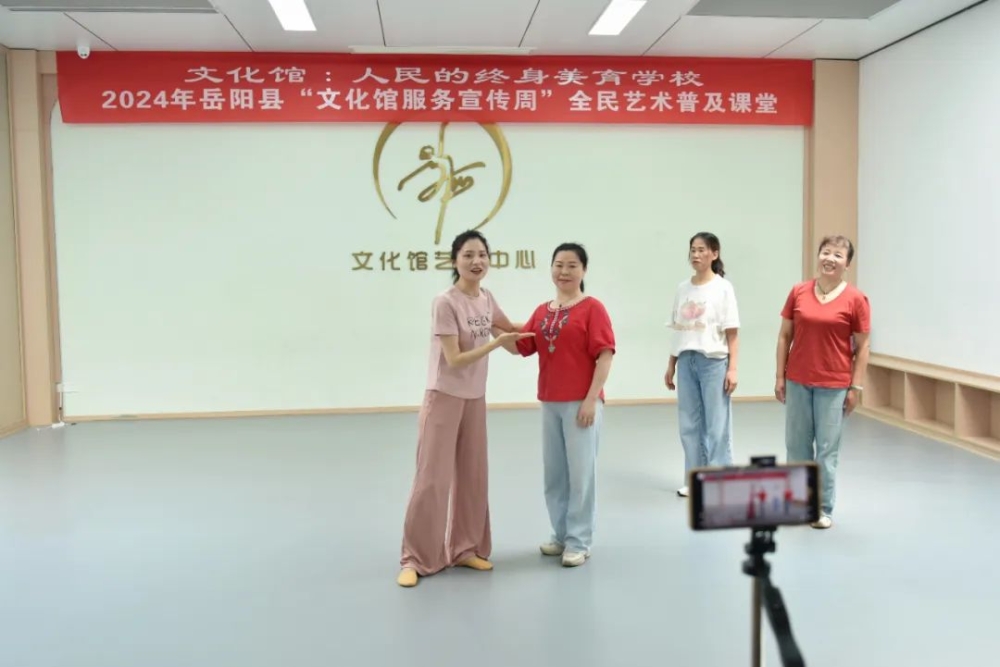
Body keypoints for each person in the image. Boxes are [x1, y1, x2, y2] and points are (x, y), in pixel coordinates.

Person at [397, 230, 533, 587]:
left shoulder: (486, 298)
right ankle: (416, 558)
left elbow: (510, 334)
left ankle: (465, 548)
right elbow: (455, 358)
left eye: (482, 255)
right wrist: (497, 343)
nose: (477, 261)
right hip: (443, 396)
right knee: (432, 479)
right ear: (455, 260)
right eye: (468, 255)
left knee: (473, 475)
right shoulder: (445, 302)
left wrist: (553, 322)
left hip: (475, 397)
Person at [514, 243, 615, 568]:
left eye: (572, 265)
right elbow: (521, 345)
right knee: (555, 475)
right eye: (559, 265)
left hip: (580, 404)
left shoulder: (593, 308)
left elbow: (605, 355)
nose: (564, 271)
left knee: (581, 475)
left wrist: (591, 399)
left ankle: (579, 541)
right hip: (550, 402)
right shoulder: (543, 311)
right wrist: (487, 322)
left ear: (583, 270)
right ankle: (560, 535)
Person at [775, 234, 870, 530]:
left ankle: (822, 508)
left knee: (827, 449)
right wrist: (780, 375)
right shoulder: (799, 292)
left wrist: (855, 387)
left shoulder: (856, 299)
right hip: (798, 380)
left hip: (834, 384)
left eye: (838, 255)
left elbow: (863, 346)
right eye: (826, 252)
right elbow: (784, 336)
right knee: (796, 446)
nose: (830, 258)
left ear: (847, 265)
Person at [664, 232, 740, 498]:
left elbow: (732, 332)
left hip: (714, 362)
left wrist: (733, 368)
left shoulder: (723, 288)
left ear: (714, 254)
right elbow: (679, 328)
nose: (696, 255)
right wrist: (671, 364)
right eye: (693, 250)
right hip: (687, 360)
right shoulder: (682, 288)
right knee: (689, 423)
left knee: (717, 424)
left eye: (702, 250)